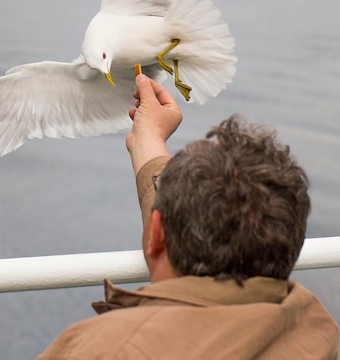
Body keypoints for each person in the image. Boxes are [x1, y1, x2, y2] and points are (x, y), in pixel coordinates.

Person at [36, 74, 338, 359]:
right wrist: (149, 140)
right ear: (290, 242)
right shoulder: (315, 327)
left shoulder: (106, 349)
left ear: (156, 233)